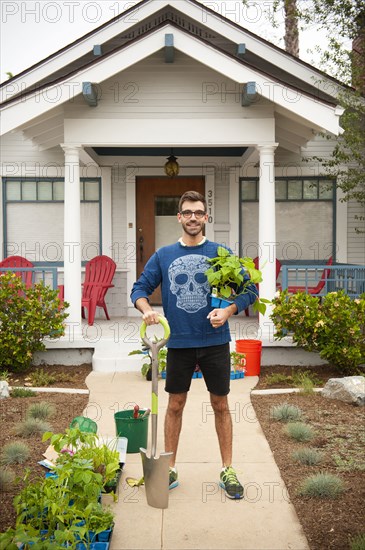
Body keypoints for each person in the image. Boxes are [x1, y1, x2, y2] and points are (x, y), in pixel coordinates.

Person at [130, 190, 258, 500]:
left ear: (206, 217)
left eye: (198, 213)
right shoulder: (163, 255)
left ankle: (227, 468)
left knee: (221, 405)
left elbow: (250, 290)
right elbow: (139, 289)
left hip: (215, 340)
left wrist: (227, 310)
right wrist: (147, 310)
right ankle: (170, 467)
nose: (193, 218)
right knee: (175, 405)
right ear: (179, 217)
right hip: (179, 343)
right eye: (187, 212)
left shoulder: (221, 253)